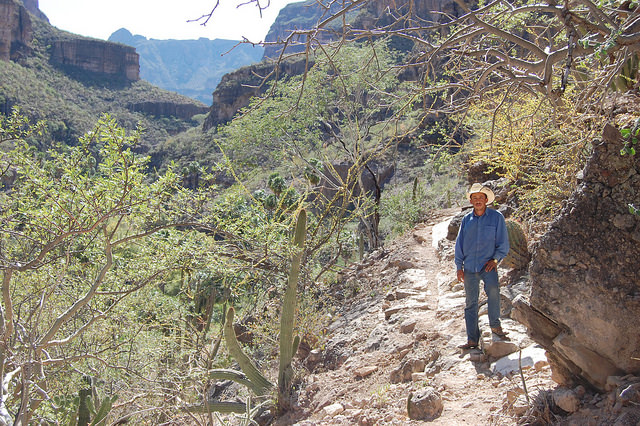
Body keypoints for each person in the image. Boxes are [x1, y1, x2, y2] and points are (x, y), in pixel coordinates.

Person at [454, 183, 510, 350]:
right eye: (475, 198)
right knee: (471, 302)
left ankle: (495, 326)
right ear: (471, 201)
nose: (478, 200)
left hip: (488, 266)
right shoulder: (466, 220)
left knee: (493, 293)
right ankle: (472, 339)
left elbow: (503, 242)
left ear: (486, 200)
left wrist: (495, 260)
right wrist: (459, 266)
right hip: (470, 267)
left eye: (481, 197)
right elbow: (460, 244)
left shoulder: (496, 217)